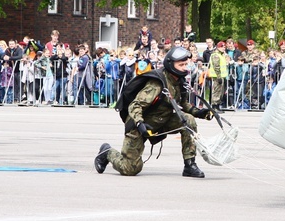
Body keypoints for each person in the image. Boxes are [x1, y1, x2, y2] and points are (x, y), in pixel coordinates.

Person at [94, 46, 214, 178]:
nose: (186, 67)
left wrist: (200, 113)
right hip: (140, 125)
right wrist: (140, 124)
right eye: (181, 64)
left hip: (162, 121)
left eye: (186, 64)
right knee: (130, 169)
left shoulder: (178, 81)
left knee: (188, 120)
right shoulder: (157, 83)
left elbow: (183, 104)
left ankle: (189, 165)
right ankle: (107, 152)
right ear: (171, 65)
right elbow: (135, 105)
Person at [208, 41, 228, 111]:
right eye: (221, 47)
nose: (223, 48)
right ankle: (214, 106)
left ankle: (218, 105)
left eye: (224, 47)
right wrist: (219, 76)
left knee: (220, 92)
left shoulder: (221, 54)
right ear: (218, 47)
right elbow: (216, 66)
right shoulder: (215, 55)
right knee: (217, 91)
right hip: (217, 76)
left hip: (222, 76)